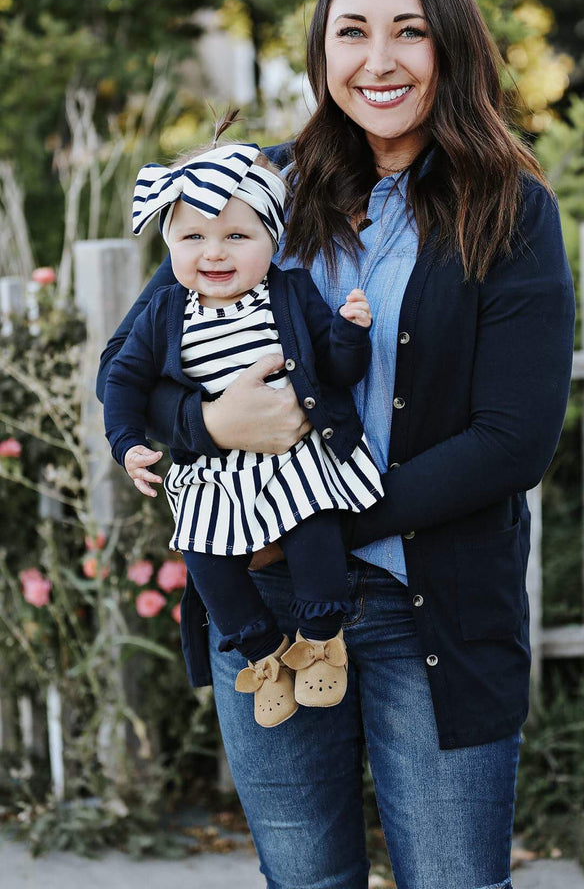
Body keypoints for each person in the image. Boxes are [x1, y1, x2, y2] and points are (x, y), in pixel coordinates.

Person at [97, 0, 576, 889]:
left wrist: (316, 517)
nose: (379, 61)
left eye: (409, 31)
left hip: (428, 609)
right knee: (305, 879)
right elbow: (139, 365)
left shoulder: (509, 210)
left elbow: (512, 441)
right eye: (352, 32)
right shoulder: (252, 194)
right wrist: (208, 432)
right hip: (270, 609)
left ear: (450, 45)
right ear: (322, 54)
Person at [103, 136, 383, 727]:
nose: (215, 253)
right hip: (212, 470)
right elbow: (122, 379)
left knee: (314, 534)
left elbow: (335, 370)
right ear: (171, 246)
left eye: (237, 236)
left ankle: (320, 638)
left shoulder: (289, 293)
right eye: (193, 238)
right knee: (205, 561)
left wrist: (350, 334)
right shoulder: (163, 314)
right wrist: (128, 444)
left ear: (271, 241)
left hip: (292, 458)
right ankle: (263, 654)